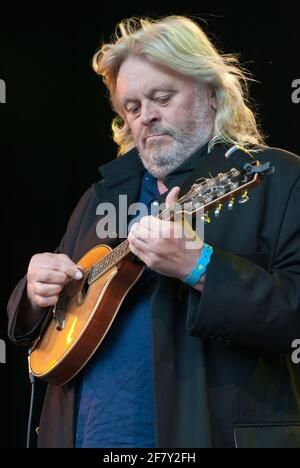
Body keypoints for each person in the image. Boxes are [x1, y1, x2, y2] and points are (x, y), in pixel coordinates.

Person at [7, 15, 300, 448]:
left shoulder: (273, 177)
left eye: (162, 97)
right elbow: (46, 321)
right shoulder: (99, 197)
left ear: (211, 93)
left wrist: (200, 266)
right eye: (132, 107)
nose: (146, 117)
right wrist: (32, 292)